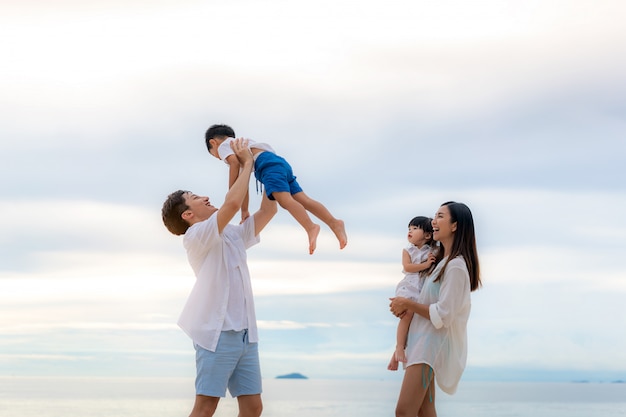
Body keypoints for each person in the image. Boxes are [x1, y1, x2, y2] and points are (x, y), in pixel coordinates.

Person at [161, 138, 277, 417]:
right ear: (188, 214)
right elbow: (233, 203)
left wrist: (270, 169)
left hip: (246, 335)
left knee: (253, 407)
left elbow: (268, 210)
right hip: (217, 334)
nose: (204, 197)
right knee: (205, 407)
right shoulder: (195, 236)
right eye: (195, 197)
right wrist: (247, 162)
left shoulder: (232, 235)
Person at [389, 201, 481, 417]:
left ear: (455, 226)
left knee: (404, 411)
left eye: (440, 216)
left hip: (430, 347)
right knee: (424, 411)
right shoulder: (441, 263)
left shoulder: (456, 266)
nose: (433, 221)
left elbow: (444, 315)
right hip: (421, 344)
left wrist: (407, 304)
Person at [205, 124, 347, 255]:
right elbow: (244, 186)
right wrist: (244, 210)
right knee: (304, 199)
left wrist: (231, 190)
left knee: (285, 201)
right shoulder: (241, 147)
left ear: (213, 143)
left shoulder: (225, 146)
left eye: (216, 156)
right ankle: (334, 222)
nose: (222, 159)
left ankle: (310, 227)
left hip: (267, 166)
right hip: (279, 163)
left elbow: (234, 166)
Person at [387, 216, 437, 371]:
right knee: (407, 316)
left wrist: (430, 262)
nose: (410, 231)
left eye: (415, 228)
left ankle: (396, 355)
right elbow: (408, 267)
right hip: (408, 287)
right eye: (409, 228)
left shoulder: (434, 250)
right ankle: (400, 347)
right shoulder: (407, 250)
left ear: (427, 235)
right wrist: (426, 265)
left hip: (422, 289)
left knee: (416, 324)